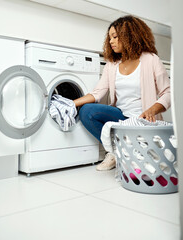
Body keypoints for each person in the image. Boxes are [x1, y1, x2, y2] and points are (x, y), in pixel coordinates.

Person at [73, 15, 171, 171]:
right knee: (87, 111)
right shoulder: (112, 65)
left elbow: (167, 93)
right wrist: (71, 103)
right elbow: (98, 92)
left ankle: (129, 152)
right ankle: (115, 152)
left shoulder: (151, 60)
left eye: (115, 37)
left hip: (142, 120)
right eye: (109, 37)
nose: (111, 41)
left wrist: (153, 109)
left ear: (129, 36)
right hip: (120, 117)